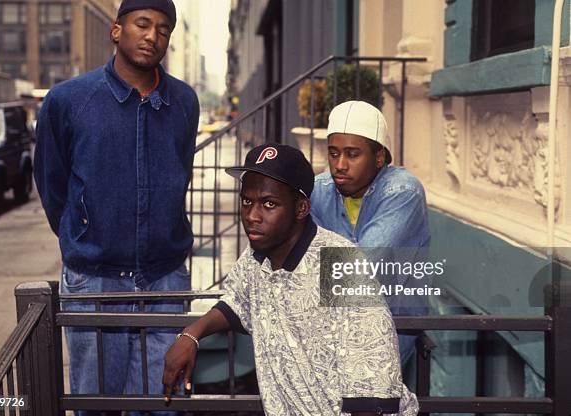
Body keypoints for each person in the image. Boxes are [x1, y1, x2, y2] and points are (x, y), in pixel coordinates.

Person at [162, 144, 419, 416]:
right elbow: (237, 302)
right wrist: (191, 334)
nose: (252, 216)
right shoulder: (256, 256)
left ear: (301, 208)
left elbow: (373, 389)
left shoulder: (339, 264)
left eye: (269, 204)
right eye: (247, 201)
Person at [33, 0, 198, 414]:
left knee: (162, 403)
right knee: (96, 405)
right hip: (96, 281)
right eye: (142, 24)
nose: (152, 36)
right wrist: (84, 234)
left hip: (165, 280)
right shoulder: (68, 100)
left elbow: (181, 171)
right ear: (116, 30)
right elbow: (53, 185)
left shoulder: (183, 102)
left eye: (163, 29)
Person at [310, 100, 431, 365]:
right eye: (333, 153)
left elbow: (360, 270)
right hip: (329, 337)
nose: (339, 165)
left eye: (352, 154)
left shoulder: (403, 192)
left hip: (388, 338)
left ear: (379, 157)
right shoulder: (319, 190)